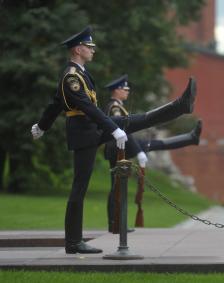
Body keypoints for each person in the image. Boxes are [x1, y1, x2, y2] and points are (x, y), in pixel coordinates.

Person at [30, 26, 197, 254]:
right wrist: (112, 128)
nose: (93, 50)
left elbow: (54, 104)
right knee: (79, 188)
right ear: (78, 49)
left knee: (132, 121)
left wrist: (41, 126)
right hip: (84, 135)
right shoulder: (71, 77)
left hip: (92, 129)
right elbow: (87, 107)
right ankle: (73, 242)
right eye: (90, 47)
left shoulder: (79, 73)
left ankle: (179, 106)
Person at [103, 74, 202, 232]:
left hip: (121, 147)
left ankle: (190, 138)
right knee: (116, 187)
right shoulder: (114, 107)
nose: (127, 91)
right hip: (117, 149)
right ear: (116, 91)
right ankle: (115, 224)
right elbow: (123, 132)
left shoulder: (117, 106)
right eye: (125, 89)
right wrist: (138, 151)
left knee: (152, 145)